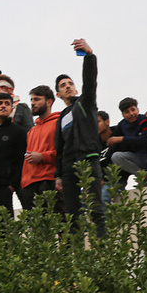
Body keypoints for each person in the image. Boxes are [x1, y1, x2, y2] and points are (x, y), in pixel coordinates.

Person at [54, 39, 106, 237]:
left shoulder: (85, 103)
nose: (67, 87)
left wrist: (89, 56)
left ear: (75, 88)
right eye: (62, 85)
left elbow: (90, 81)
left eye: (70, 84)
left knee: (95, 208)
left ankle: (103, 249)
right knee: (73, 215)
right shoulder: (61, 118)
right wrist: (58, 174)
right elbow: (59, 148)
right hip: (68, 166)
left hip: (88, 157)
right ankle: (75, 256)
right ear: (58, 94)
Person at [21, 85, 60, 212]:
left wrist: (42, 156)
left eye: (37, 99)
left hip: (50, 181)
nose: (33, 103)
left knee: (60, 225)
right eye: (32, 100)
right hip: (29, 186)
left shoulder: (58, 123)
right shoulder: (31, 131)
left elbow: (63, 152)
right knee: (37, 229)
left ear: (49, 102)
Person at [107, 97, 147, 187]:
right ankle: (145, 177)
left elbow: (146, 141)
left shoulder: (145, 120)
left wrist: (122, 139)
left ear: (137, 109)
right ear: (123, 114)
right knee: (116, 156)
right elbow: (112, 138)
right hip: (137, 158)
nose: (131, 114)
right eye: (127, 112)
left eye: (133, 110)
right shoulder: (122, 125)